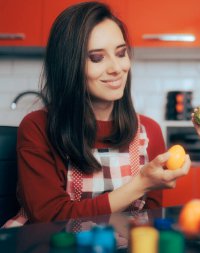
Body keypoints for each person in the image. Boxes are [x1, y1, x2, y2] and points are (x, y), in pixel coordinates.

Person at [3, 1, 190, 228]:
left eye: (121, 53)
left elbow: (146, 222)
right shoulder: (37, 127)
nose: (116, 68)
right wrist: (140, 184)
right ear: (69, 65)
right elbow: (50, 219)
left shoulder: (148, 132)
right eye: (97, 58)